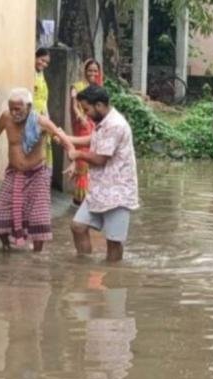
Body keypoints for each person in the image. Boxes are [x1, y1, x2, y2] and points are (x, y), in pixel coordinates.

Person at [0, 88, 73, 252]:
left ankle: (37, 256)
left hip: (37, 174)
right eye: (11, 108)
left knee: (38, 217)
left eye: (17, 109)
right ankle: (6, 248)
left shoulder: (41, 122)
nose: (13, 112)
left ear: (28, 106)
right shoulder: (5, 118)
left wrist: (72, 159)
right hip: (14, 173)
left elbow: (64, 140)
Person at [67, 85, 139, 262]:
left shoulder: (115, 125)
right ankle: (83, 268)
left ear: (99, 105)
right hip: (100, 189)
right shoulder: (104, 122)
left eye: (86, 109)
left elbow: (100, 159)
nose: (85, 114)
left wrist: (78, 154)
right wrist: (67, 139)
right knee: (78, 226)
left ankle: (114, 277)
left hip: (117, 192)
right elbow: (94, 139)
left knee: (113, 243)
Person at [70, 59, 104, 206]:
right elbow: (74, 105)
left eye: (95, 70)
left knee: (95, 157)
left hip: (95, 126)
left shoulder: (100, 88)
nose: (92, 73)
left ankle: (91, 194)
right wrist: (80, 116)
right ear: (85, 71)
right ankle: (80, 198)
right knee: (83, 159)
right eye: (90, 70)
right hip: (83, 125)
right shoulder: (77, 87)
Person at [34, 48, 54, 170]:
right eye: (42, 60)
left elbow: (44, 99)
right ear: (35, 57)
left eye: (47, 63)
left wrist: (47, 116)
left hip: (43, 114)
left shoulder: (41, 75)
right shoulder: (29, 73)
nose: (44, 64)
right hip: (33, 114)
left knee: (43, 145)